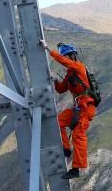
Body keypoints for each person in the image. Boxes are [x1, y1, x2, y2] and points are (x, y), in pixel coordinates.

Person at [39, 39, 96, 179]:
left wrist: (48, 49)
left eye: (66, 56)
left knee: (78, 135)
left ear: (72, 56)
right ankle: (65, 149)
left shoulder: (79, 67)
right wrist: (55, 80)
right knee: (58, 122)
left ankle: (76, 168)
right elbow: (61, 89)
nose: (65, 60)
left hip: (86, 107)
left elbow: (66, 63)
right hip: (78, 108)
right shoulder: (71, 74)